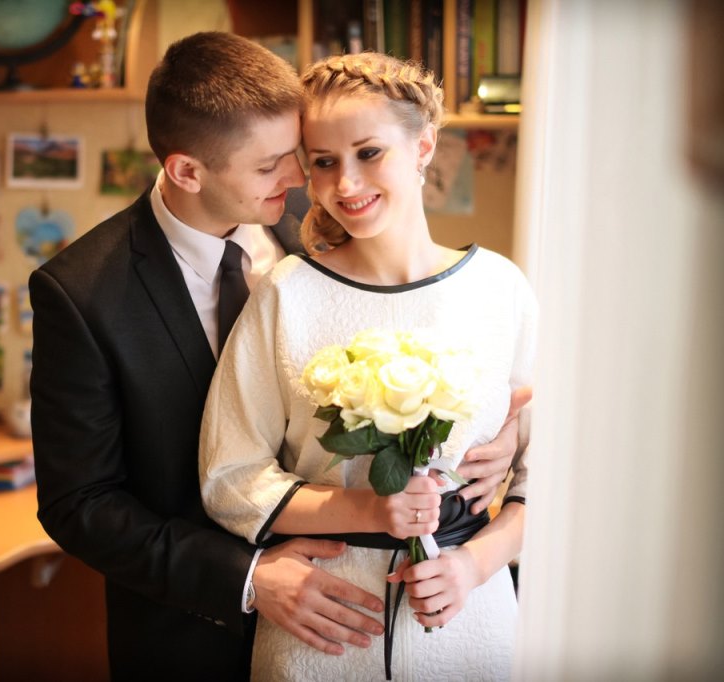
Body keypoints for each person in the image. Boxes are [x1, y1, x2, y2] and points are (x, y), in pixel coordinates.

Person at [30, 33, 524, 680]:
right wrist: (249, 577)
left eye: (297, 157)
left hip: (387, 618)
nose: (301, 180)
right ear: (188, 172)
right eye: (272, 165)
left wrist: (501, 430)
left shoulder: (325, 211)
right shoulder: (83, 292)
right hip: (191, 633)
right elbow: (80, 504)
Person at [199, 51, 536, 681]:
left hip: (472, 628)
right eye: (324, 162)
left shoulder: (501, 288)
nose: (346, 184)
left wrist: (474, 566)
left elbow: (547, 481)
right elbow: (229, 477)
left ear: (423, 146)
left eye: (369, 153)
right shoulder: (285, 293)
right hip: (321, 630)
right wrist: (370, 511)